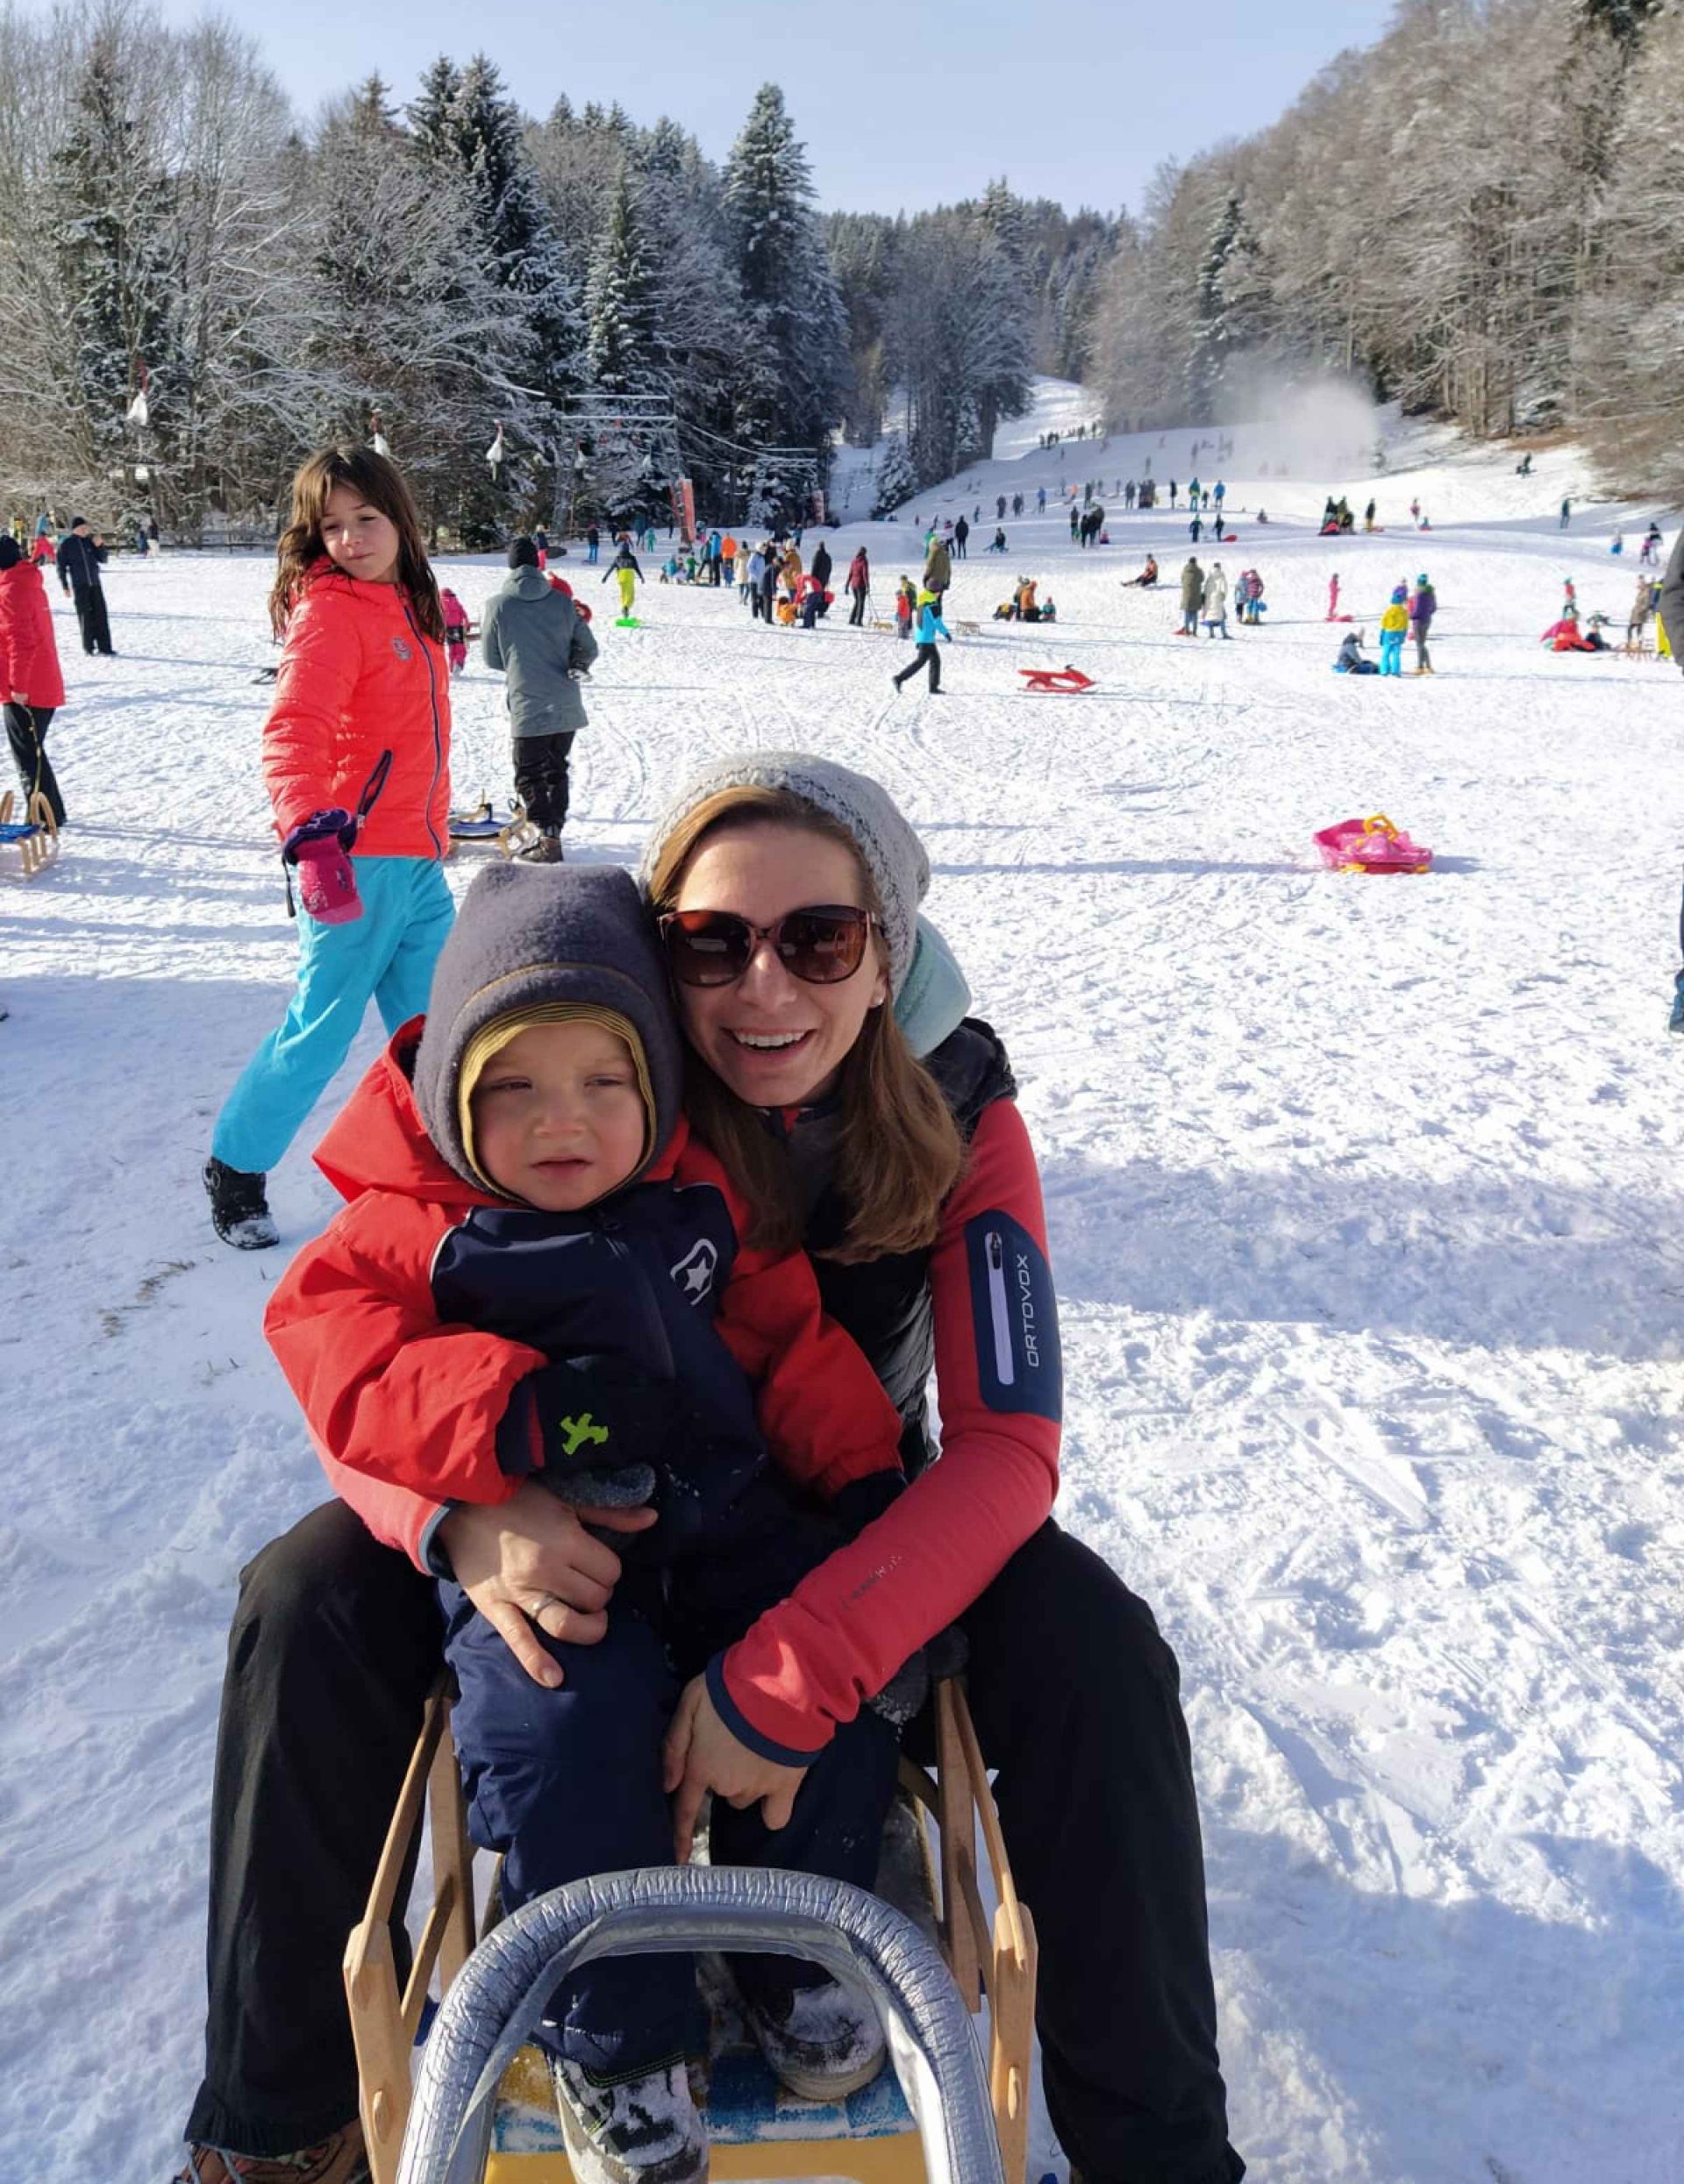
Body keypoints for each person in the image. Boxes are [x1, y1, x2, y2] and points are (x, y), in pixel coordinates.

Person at [173, 752, 1245, 2184]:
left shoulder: (957, 1108)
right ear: (654, 947)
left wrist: (804, 1667)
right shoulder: (548, 1055)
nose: (763, 987)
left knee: (1096, 1648)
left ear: (886, 954)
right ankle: (281, 2128)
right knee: (302, 1599)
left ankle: (1162, 2158)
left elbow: (1006, 1449)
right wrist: (451, 1518)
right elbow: (347, 1343)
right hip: (547, 1493)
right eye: (713, 941)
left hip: (840, 1517)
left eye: (821, 939)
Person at [266, 860, 925, 2180]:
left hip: (726, 1521)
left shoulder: (700, 1199)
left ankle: (796, 1948)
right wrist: (510, 1414)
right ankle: (616, 2039)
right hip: (557, 1570)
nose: (560, 1120)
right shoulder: (419, 1230)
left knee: (820, 1689)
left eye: (601, 1082)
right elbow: (338, 1354)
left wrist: (865, 1486)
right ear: (453, 1097)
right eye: (512, 1088)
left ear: (657, 1087)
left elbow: (792, 1345)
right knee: (565, 1738)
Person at [203, 446, 454, 1253]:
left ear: (400, 519)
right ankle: (236, 1166)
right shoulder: (332, 612)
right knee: (322, 1029)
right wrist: (311, 832)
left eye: (365, 518)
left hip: (419, 860)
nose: (349, 539)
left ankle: (449, 1162)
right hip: (354, 861)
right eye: (331, 526)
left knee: (439, 1028)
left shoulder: (408, 606)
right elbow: (293, 730)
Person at [480, 537, 598, 864]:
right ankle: (553, 834)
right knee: (556, 768)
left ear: (510, 565)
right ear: (538, 563)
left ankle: (546, 836)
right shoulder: (562, 602)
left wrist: (521, 665)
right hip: (564, 701)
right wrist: (575, 663)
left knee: (528, 773)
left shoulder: (499, 605)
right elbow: (589, 646)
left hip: (527, 700)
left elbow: (491, 658)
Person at [0, 532, 68, 826]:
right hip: (39, 681)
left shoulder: (11, 590)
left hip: (27, 687)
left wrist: (19, 686)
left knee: (28, 754)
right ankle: (50, 812)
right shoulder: (25, 582)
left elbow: (21, 641)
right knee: (31, 751)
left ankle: (42, 816)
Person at [56, 515, 113, 655]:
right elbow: (61, 567)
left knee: (101, 615)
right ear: (76, 529)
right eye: (82, 527)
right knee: (85, 616)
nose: (85, 529)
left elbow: (103, 559)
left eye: (86, 527)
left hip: (95, 583)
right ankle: (89, 646)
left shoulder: (89, 541)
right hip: (80, 585)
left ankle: (105, 646)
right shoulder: (67, 544)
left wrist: (100, 546)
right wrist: (65, 585)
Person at [891, 590, 949, 694]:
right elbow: (937, 622)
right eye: (938, 592)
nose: (939, 594)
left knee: (930, 661)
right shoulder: (932, 605)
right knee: (929, 661)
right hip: (927, 640)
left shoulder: (922, 604)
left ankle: (932, 686)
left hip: (922, 638)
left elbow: (919, 622)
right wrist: (946, 633)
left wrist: (918, 639)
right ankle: (899, 678)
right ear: (934, 592)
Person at [603, 539, 645, 619]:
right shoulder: (632, 557)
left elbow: (611, 568)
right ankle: (626, 607)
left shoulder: (618, 558)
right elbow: (637, 568)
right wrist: (641, 577)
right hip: (629, 575)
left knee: (623, 593)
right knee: (630, 594)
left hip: (621, 576)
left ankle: (623, 607)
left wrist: (605, 577)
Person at [1408, 574, 1437, 673]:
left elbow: (1417, 610)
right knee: (1422, 643)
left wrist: (1410, 616)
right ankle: (1428, 666)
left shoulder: (1419, 594)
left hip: (1418, 621)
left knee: (1419, 644)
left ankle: (1420, 667)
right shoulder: (1431, 593)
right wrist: (1427, 614)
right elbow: (1434, 608)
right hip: (1427, 620)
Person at [1378, 585, 1409, 675]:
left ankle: (1384, 670)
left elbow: (1383, 624)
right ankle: (1396, 670)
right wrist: (1403, 636)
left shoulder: (1389, 611)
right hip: (1399, 633)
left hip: (1388, 633)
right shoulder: (1404, 612)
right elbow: (1406, 625)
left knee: (1386, 653)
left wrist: (1382, 636)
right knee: (1396, 654)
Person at [439, 586, 470, 675]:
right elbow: (464, 614)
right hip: (457, 628)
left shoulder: (440, 603)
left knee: (452, 648)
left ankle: (452, 667)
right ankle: (458, 664)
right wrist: (467, 624)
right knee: (460, 648)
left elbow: (438, 616)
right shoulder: (455, 602)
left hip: (447, 629)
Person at [922, 534, 951, 617]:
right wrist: (947, 581)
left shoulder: (933, 554)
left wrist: (925, 578)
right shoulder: (945, 554)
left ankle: (932, 618)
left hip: (933, 582)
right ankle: (938, 617)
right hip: (942, 582)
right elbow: (949, 570)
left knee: (930, 600)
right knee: (939, 601)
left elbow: (929, 568)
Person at [1201, 561, 1230, 639]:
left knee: (1210, 615)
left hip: (1209, 598)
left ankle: (1211, 633)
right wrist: (1223, 596)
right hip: (1218, 597)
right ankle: (1224, 633)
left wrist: (1206, 596)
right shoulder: (1222, 576)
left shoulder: (1210, 577)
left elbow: (1205, 588)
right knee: (1221, 615)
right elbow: (1224, 588)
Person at [1178, 555, 1204, 636]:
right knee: (1195, 614)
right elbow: (1202, 579)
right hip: (1196, 595)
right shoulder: (1199, 571)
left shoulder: (1185, 570)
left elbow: (1182, 579)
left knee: (1187, 613)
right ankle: (1194, 631)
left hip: (1186, 595)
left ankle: (1186, 631)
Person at [846, 547, 869, 626]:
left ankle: (852, 619)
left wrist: (847, 585)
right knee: (861, 603)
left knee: (857, 602)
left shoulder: (854, 561)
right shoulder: (864, 561)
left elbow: (850, 573)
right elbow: (865, 574)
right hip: (861, 585)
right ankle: (858, 621)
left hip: (854, 585)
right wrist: (867, 585)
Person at [1628, 576, 1652, 650]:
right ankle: (1631, 642)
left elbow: (1647, 604)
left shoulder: (1646, 592)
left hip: (1640, 614)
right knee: (1632, 629)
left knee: (1638, 629)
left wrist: (1641, 610)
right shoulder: (1641, 592)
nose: (1638, 587)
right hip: (1636, 614)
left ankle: (1638, 643)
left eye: (1640, 585)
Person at [895, 575, 915, 639]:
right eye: (901, 580)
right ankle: (906, 631)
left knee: (906, 620)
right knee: (907, 618)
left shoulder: (909, 587)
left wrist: (898, 613)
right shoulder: (903, 586)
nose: (902, 582)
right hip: (906, 604)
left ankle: (908, 629)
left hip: (909, 604)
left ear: (906, 580)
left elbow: (911, 596)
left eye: (903, 580)